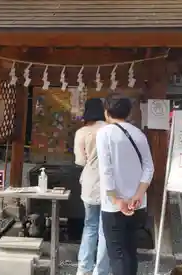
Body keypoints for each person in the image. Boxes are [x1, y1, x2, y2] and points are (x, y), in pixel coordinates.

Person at [96, 94, 154, 275]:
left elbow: (106, 170)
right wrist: (138, 194)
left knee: (117, 254)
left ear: (107, 112)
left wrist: (116, 200)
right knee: (130, 252)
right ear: (128, 112)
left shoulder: (104, 133)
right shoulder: (139, 134)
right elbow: (149, 167)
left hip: (114, 207)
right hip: (137, 204)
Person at [74, 98, 110, 275]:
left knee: (90, 225)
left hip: (90, 182)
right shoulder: (111, 130)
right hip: (110, 184)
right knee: (105, 228)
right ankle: (101, 270)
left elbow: (80, 161)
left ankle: (84, 267)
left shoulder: (82, 132)